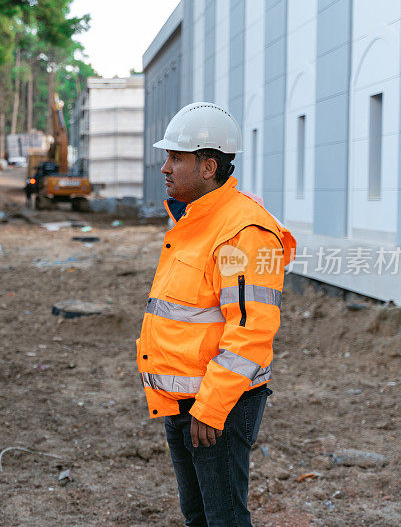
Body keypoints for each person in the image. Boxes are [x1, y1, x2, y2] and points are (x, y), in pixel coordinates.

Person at [136, 102, 296, 526]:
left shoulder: (245, 231)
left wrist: (210, 407)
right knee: (198, 515)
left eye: (176, 158)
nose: (164, 168)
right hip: (182, 400)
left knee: (223, 518)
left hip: (217, 405)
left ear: (208, 167)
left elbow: (252, 334)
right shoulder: (196, 220)